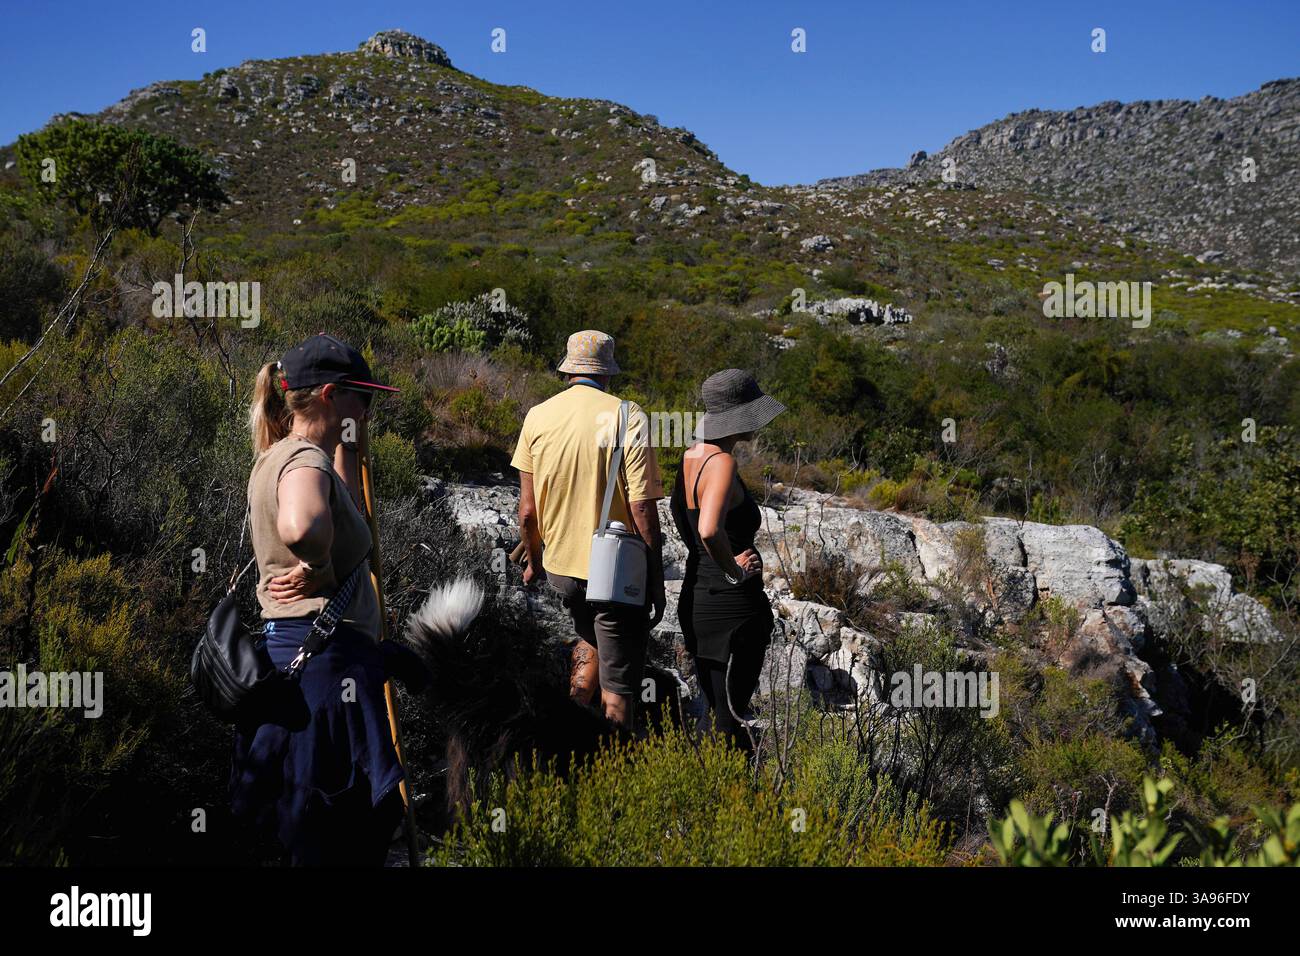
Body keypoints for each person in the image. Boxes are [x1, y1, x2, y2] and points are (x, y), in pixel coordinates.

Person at [229, 332, 425, 866]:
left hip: (303, 663)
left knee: (311, 838)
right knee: (338, 842)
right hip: (325, 672)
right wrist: (315, 562)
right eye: (363, 397)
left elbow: (343, 517)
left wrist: (349, 445)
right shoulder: (304, 464)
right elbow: (303, 523)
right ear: (331, 395)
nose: (369, 408)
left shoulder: (287, 456)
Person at [511, 330, 665, 730]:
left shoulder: (538, 416)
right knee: (619, 685)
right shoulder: (628, 416)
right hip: (612, 574)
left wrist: (534, 559)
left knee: (591, 638)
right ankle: (613, 765)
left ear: (568, 371)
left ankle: (571, 725)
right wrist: (654, 577)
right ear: (607, 373)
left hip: (562, 569)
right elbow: (643, 507)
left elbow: (527, 512)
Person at [669, 369, 785, 754]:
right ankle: (736, 799)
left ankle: (711, 792)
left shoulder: (690, 457)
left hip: (697, 600)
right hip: (732, 609)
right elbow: (707, 530)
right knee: (731, 717)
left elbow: (689, 530)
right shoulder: (720, 463)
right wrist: (735, 571)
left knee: (718, 709)